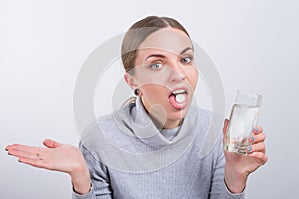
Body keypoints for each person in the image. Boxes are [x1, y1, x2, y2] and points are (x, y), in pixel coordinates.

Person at [5, 16, 267, 199]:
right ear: (132, 81)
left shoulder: (217, 134)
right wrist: (81, 178)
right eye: (157, 64)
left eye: (185, 59)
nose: (179, 74)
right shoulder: (100, 138)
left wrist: (235, 176)